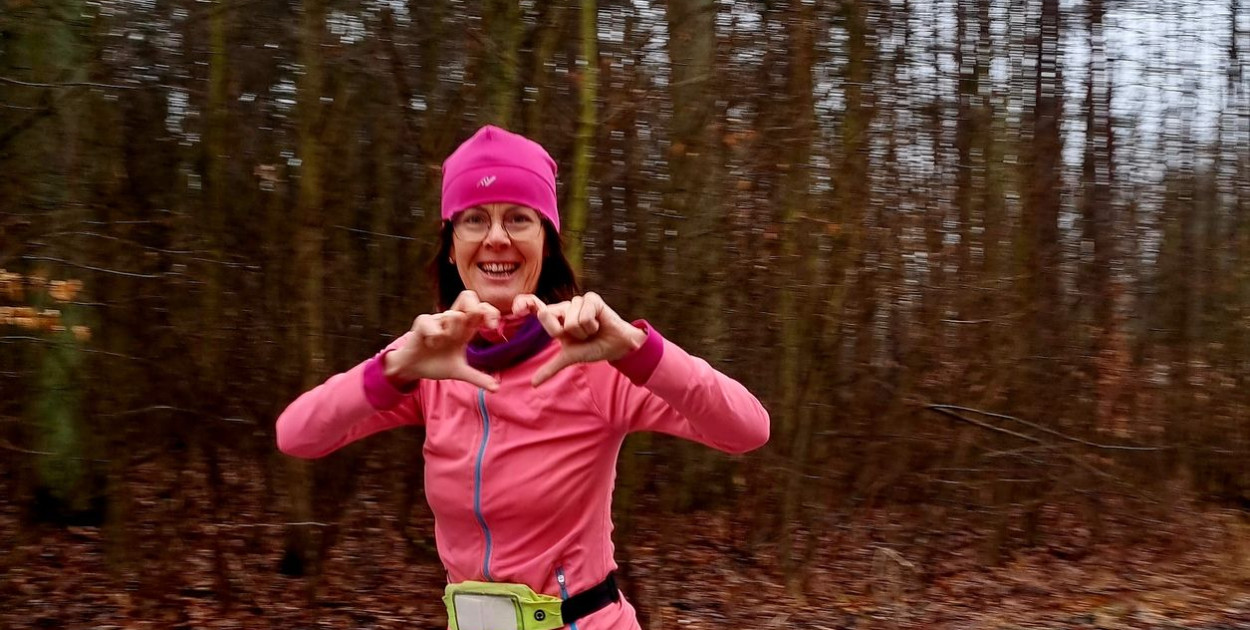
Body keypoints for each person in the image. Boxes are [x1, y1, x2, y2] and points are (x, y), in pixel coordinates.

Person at [275, 125, 769, 630]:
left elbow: (747, 429)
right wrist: (393, 369)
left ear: (547, 243)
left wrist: (638, 350)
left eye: (518, 218)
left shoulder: (594, 357)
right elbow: (297, 435)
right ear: (451, 247)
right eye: (474, 219)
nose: (496, 237)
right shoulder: (429, 356)